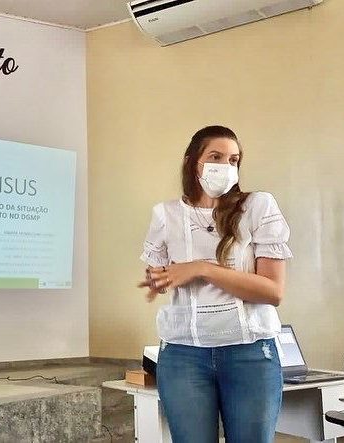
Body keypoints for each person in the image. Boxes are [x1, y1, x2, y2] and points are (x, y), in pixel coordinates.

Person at [138, 125, 292, 443]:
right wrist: (158, 280)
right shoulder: (165, 215)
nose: (226, 166)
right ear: (192, 162)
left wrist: (201, 269)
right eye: (216, 157)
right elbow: (160, 277)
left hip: (250, 352)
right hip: (183, 355)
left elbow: (273, 291)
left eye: (233, 160)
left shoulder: (258, 207)